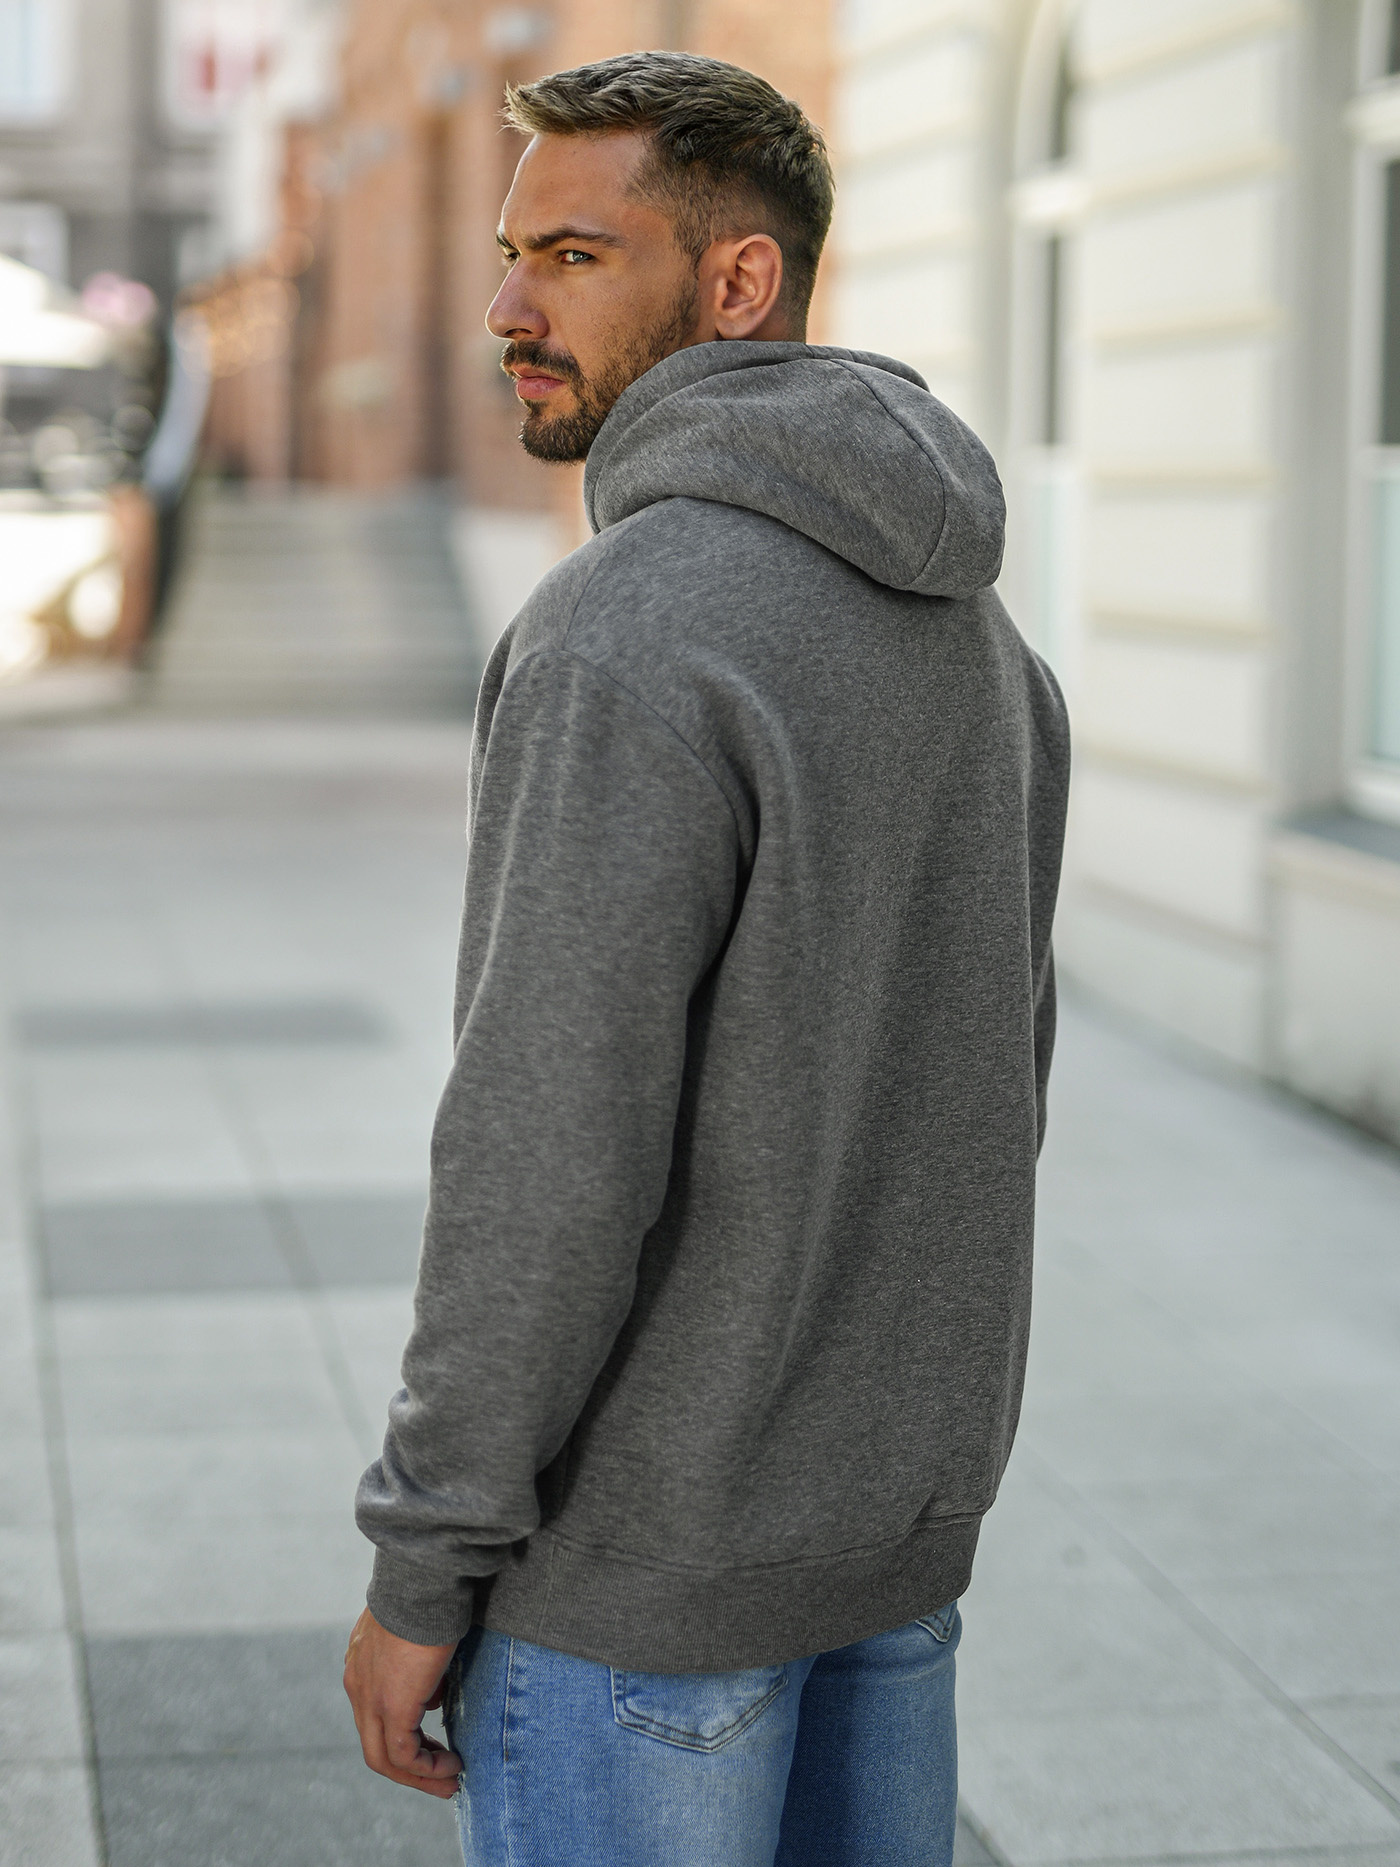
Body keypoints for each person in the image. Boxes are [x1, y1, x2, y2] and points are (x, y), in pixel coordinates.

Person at [344, 50, 1069, 1867]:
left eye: (575, 257)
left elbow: (544, 1154)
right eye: (512, 255)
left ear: (739, 280)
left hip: (643, 1592)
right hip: (888, 1554)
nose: (508, 310)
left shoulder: (624, 632)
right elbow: (1004, 1092)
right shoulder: (983, 639)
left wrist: (426, 1557)